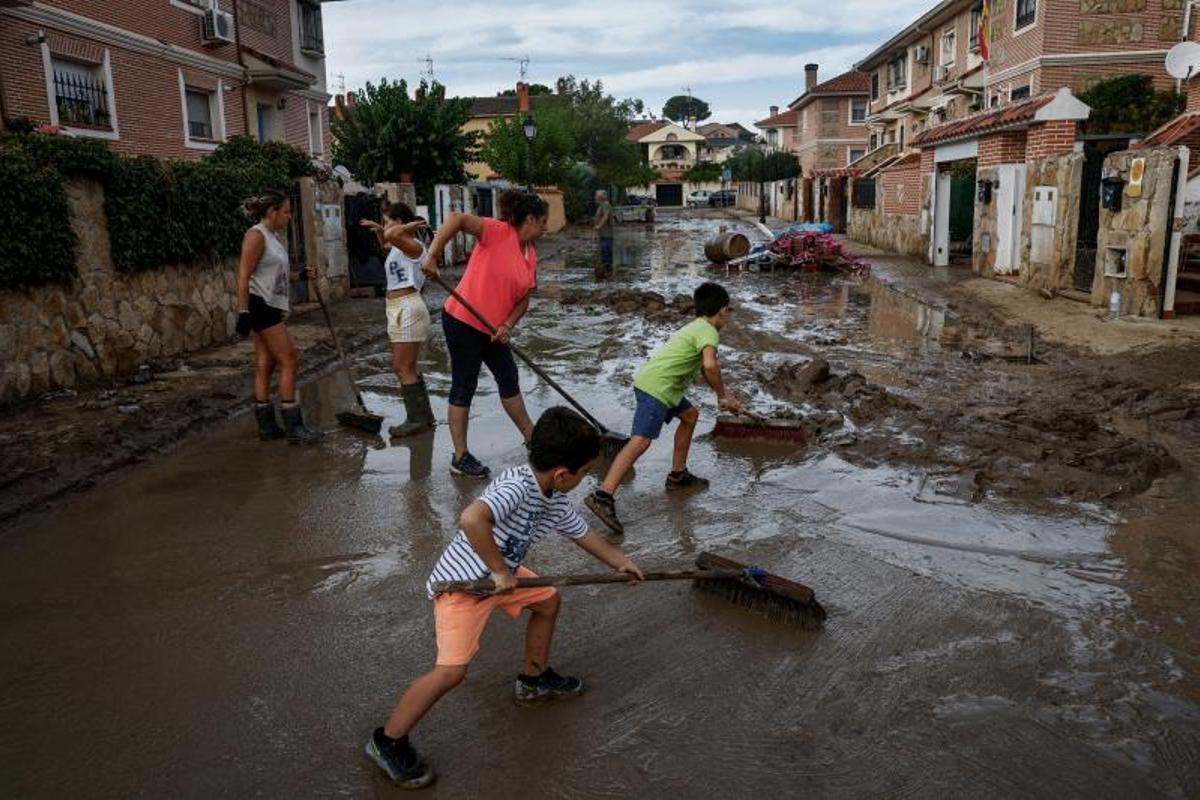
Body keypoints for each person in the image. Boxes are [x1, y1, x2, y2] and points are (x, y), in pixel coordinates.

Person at [365, 406, 644, 789]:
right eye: (585, 473)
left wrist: (620, 562)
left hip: (504, 576)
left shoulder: (555, 496)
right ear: (563, 474)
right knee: (451, 672)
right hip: (465, 585)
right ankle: (388, 740)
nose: (584, 479)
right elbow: (471, 520)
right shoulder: (516, 486)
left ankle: (533, 679)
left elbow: (582, 533)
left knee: (547, 602)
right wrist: (498, 570)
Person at [585, 282, 743, 534]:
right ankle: (603, 496)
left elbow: (704, 368)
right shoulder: (710, 332)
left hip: (660, 385)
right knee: (641, 441)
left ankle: (678, 476)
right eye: (728, 312)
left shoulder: (697, 326)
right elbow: (711, 366)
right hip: (657, 388)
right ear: (723, 310)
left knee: (690, 416)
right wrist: (723, 395)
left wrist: (724, 396)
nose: (727, 316)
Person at [422, 190, 549, 479]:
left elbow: (524, 299)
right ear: (529, 219)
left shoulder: (530, 254)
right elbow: (455, 219)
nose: (545, 228)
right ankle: (460, 456)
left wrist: (507, 326)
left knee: (509, 378)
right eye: (542, 222)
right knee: (464, 384)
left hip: (494, 330)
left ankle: (532, 439)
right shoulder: (496, 231)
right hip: (463, 320)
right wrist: (433, 255)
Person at [234, 189, 322, 445]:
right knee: (290, 359)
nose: (290, 217)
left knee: (267, 363)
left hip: (270, 304)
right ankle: (294, 425)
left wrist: (301, 275)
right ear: (272, 212)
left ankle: (267, 426)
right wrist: (243, 312)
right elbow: (243, 275)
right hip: (261, 306)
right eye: (286, 212)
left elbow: (278, 276)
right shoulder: (256, 235)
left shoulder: (272, 237)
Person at [360, 202, 436, 437]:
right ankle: (424, 416)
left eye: (387, 221)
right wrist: (381, 228)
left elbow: (393, 235)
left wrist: (408, 226)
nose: (385, 228)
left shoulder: (414, 245)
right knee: (406, 366)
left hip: (407, 307)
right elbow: (388, 240)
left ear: (400, 223)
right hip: (396, 307)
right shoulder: (398, 245)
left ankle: (416, 419)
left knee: (401, 367)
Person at [593, 189, 614, 273]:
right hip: (603, 234)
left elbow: (606, 216)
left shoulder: (605, 204)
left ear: (600, 197)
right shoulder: (601, 205)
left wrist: (599, 226)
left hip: (606, 234)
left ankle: (607, 271)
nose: (595, 198)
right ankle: (606, 271)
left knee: (606, 253)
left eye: (596, 196)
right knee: (604, 252)